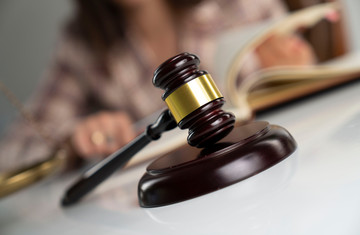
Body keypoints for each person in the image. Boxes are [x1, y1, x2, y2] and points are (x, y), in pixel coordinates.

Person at [0, 0, 315, 171]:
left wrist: (297, 67)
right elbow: (13, 150)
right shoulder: (82, 44)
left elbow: (310, 70)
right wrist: (74, 140)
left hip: (280, 170)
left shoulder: (237, 5)